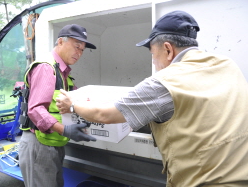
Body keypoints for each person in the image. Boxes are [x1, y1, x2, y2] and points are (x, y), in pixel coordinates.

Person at [56, 11, 248, 186]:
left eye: (153, 55)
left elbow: (104, 115)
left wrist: (72, 105)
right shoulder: (228, 65)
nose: (154, 63)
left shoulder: (165, 82)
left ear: (167, 49)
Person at [19, 24, 97, 187]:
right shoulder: (46, 68)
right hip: (38, 145)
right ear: (60, 42)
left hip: (53, 143)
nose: (79, 53)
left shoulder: (64, 74)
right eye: (76, 47)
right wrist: (66, 130)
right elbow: (35, 109)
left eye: (82, 50)